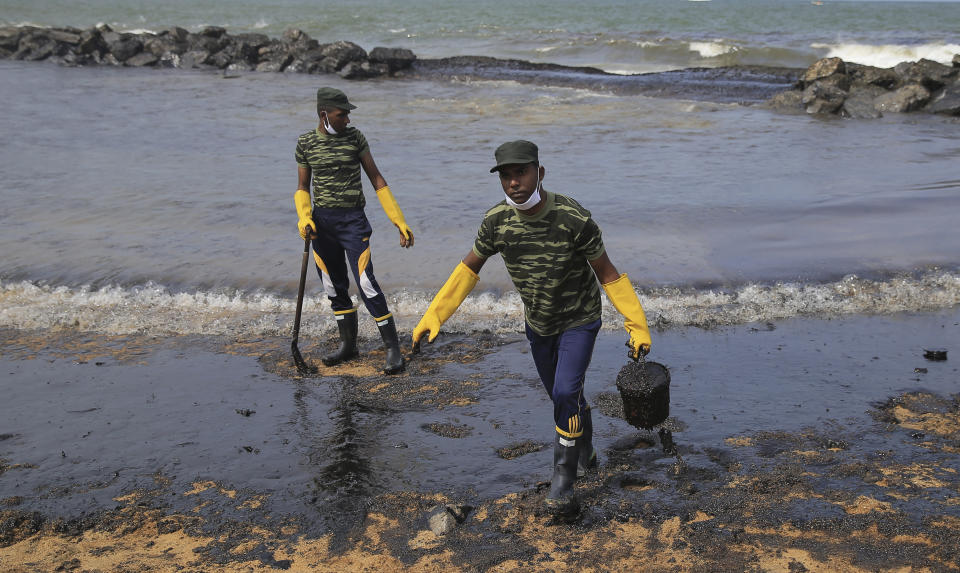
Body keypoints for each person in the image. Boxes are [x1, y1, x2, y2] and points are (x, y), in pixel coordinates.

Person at [411, 140, 651, 514]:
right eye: (505, 176)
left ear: (539, 173)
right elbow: (468, 268)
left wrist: (637, 326)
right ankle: (584, 450)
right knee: (562, 396)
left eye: (520, 172)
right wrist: (434, 316)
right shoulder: (496, 222)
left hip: (579, 319)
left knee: (566, 390)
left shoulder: (574, 217)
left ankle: (563, 483)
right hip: (539, 323)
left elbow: (607, 274)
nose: (513, 183)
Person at [294, 87, 413, 375]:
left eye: (348, 113)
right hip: (322, 225)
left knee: (366, 283)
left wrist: (399, 220)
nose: (347, 119)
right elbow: (302, 187)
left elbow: (376, 179)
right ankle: (349, 345)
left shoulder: (355, 138)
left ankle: (393, 349)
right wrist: (304, 217)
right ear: (324, 114)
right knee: (333, 285)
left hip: (352, 221)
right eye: (341, 114)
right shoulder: (306, 143)